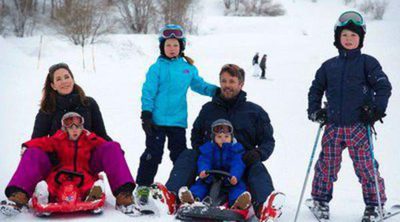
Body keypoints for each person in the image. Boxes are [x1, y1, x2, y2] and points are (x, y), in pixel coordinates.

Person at [0, 63, 136, 216]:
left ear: (72, 78)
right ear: (53, 85)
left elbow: (101, 134)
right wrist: (32, 148)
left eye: (67, 77)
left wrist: (114, 151)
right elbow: (38, 140)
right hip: (57, 164)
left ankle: (124, 197)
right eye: (58, 79)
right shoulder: (47, 109)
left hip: (86, 162)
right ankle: (19, 197)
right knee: (33, 152)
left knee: (111, 147)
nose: (64, 81)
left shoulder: (89, 103)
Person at [166, 64, 284, 220]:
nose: (227, 85)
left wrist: (257, 153)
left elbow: (268, 141)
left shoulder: (255, 112)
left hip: (241, 162)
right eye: (224, 81)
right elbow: (196, 134)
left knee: (257, 167)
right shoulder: (208, 109)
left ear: (241, 84)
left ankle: (264, 207)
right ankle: (171, 196)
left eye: (232, 81)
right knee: (189, 154)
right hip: (210, 160)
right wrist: (204, 152)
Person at [307, 11, 392, 221]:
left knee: (366, 166)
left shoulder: (367, 63)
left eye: (354, 36)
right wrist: (315, 110)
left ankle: (374, 205)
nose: (349, 39)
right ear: (338, 37)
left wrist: (376, 109)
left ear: (361, 38)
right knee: (327, 164)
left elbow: (383, 87)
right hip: (333, 126)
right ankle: (320, 201)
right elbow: (316, 89)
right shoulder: (329, 66)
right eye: (345, 35)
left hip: (358, 126)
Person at [136, 24, 218, 208]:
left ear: (181, 46)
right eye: (168, 45)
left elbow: (200, 85)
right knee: (153, 154)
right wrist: (146, 114)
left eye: (175, 45)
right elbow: (148, 91)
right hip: (156, 121)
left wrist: (217, 91)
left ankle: (181, 187)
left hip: (177, 122)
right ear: (162, 47)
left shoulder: (187, 68)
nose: (172, 48)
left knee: (180, 156)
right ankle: (142, 186)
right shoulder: (156, 68)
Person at [1, 112, 137, 216]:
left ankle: (110, 195)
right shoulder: (58, 139)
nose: (74, 129)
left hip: (84, 175)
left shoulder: (89, 139)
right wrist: (26, 146)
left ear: (82, 127)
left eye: (77, 126)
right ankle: (30, 196)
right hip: (60, 175)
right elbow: (42, 142)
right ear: (64, 128)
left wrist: (116, 151)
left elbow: (107, 147)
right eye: (70, 126)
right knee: (47, 177)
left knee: (89, 183)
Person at [179, 119, 251, 210]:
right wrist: (203, 171)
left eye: (226, 136)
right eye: (219, 137)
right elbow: (204, 160)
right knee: (200, 184)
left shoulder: (236, 150)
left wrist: (235, 176)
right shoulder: (208, 149)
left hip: (230, 179)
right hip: (211, 177)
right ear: (214, 138)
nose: (223, 139)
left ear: (231, 137)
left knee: (238, 187)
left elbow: (237, 164)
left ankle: (238, 202)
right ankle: (192, 198)